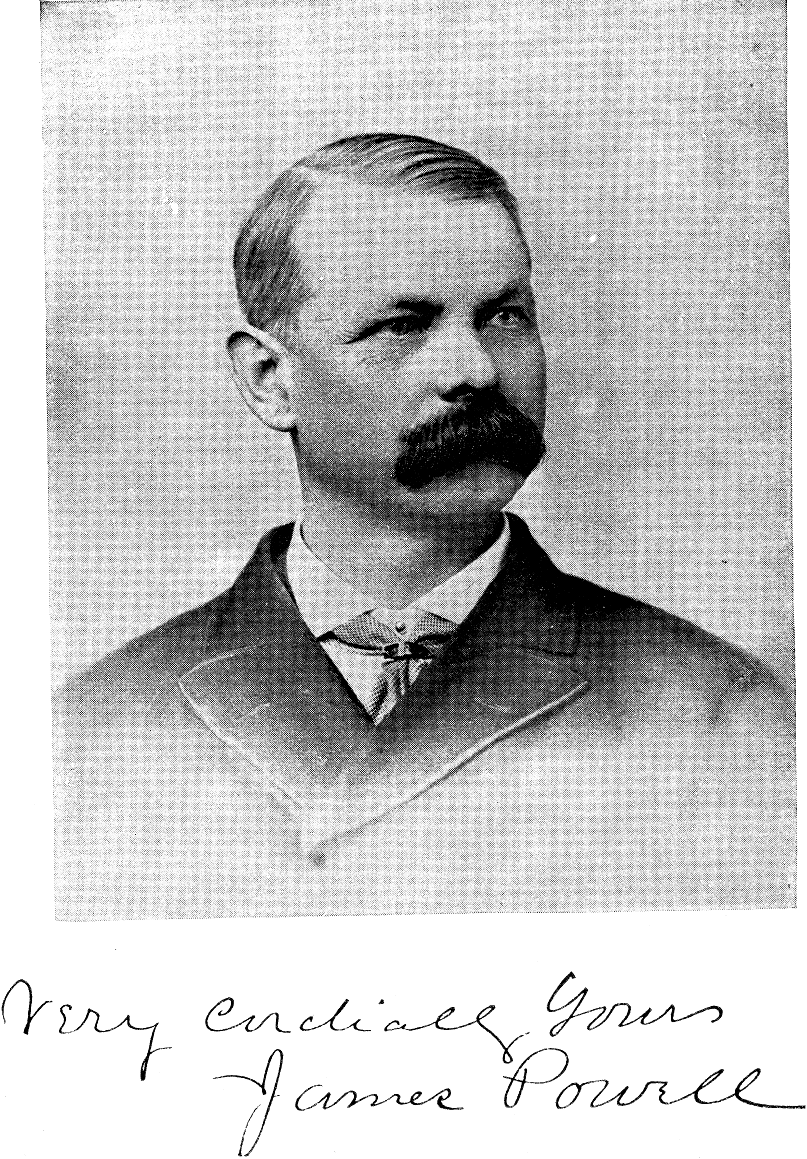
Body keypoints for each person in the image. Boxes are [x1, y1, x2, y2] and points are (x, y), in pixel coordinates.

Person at [54, 133, 794, 919]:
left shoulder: (708, 708)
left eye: (504, 316)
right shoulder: (97, 728)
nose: (476, 370)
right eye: (404, 325)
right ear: (270, 380)